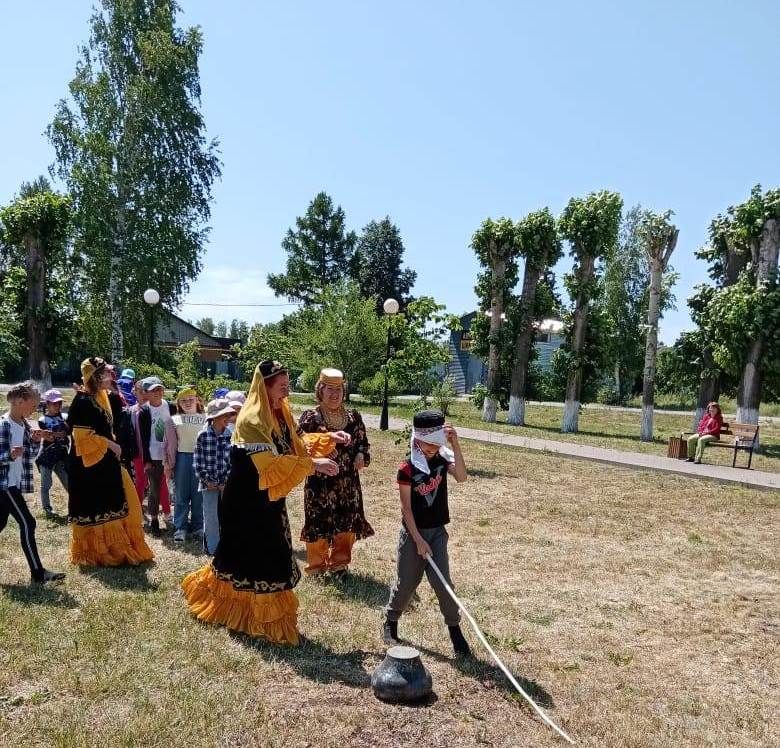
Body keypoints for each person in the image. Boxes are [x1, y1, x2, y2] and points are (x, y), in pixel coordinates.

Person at [182, 360, 339, 644]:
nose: (286, 392)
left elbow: (296, 443)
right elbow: (270, 465)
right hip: (246, 502)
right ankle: (264, 624)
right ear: (264, 387)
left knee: (259, 556)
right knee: (259, 557)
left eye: (287, 385)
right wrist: (313, 464)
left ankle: (253, 617)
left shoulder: (280, 412)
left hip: (267, 498)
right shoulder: (252, 420)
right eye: (281, 387)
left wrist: (326, 439)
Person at [383, 409, 471, 657]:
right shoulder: (407, 469)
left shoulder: (443, 459)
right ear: (417, 439)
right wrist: (418, 541)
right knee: (406, 584)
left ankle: (455, 632)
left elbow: (462, 477)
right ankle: (391, 621)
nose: (432, 449)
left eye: (437, 444)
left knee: (444, 585)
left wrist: (455, 444)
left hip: (437, 534)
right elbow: (406, 510)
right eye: (428, 444)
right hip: (413, 535)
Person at [67, 357, 154, 566]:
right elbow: (81, 437)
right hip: (89, 464)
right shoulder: (82, 401)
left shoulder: (102, 396)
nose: (110, 376)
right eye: (105, 373)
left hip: (106, 460)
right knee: (100, 504)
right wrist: (110, 444)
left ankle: (120, 545)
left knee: (125, 499)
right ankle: (102, 551)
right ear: (95, 377)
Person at [298, 368, 374, 578]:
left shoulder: (353, 417)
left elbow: (363, 445)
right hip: (319, 483)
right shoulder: (311, 417)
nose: (335, 394)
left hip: (347, 483)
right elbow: (300, 446)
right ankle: (316, 567)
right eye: (330, 389)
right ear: (320, 390)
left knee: (347, 523)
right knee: (318, 522)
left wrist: (360, 455)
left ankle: (340, 565)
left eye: (339, 389)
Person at [0, 382, 65, 584]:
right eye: (33, 405)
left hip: (13, 483)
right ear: (19, 402)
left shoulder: (24, 424)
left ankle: (38, 573)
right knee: (28, 522)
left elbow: (28, 449)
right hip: (5, 484)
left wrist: (37, 439)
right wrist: (9, 455)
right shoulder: (4, 425)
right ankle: (38, 573)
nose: (35, 409)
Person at [192, 398, 234, 554]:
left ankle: (226, 546)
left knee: (226, 515)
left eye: (229, 415)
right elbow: (197, 462)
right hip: (207, 484)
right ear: (214, 418)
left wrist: (226, 481)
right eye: (225, 416)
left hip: (225, 484)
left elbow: (231, 462)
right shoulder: (202, 436)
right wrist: (206, 479)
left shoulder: (230, 436)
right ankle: (212, 548)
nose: (228, 419)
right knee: (210, 516)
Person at [166, 385, 207, 544]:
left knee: (199, 494)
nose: (188, 402)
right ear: (178, 403)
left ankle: (198, 526)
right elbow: (168, 444)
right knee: (181, 494)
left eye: (191, 399)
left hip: (201, 457)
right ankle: (180, 527)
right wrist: (168, 464)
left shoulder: (206, 418)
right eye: (183, 400)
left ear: (197, 400)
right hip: (182, 457)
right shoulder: (174, 419)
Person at [138, 377, 176, 534]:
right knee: (154, 488)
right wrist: (146, 460)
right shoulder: (144, 411)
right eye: (153, 390)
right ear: (146, 393)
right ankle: (154, 518)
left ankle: (174, 517)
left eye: (160, 389)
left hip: (169, 453)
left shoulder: (170, 406)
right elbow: (144, 437)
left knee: (171, 486)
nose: (158, 393)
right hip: (153, 455)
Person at [36, 388, 70, 516]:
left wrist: (65, 430)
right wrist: (56, 434)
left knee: (68, 482)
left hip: (61, 456)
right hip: (47, 457)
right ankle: (47, 509)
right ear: (47, 404)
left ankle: (74, 508)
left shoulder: (65, 417)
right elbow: (47, 436)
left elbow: (70, 431)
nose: (57, 406)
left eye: (59, 403)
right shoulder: (42, 420)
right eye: (54, 403)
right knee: (46, 484)